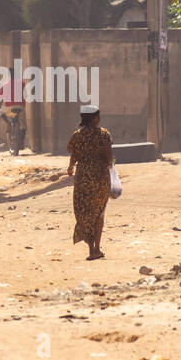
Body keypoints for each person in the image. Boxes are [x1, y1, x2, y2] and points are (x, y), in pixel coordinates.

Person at [66, 104, 114, 261]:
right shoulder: (104, 135)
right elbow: (109, 155)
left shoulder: (77, 136)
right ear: (96, 118)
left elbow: (74, 155)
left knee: (86, 212)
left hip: (83, 177)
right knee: (99, 212)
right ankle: (97, 249)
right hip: (100, 175)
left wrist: (70, 167)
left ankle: (91, 250)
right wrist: (110, 163)